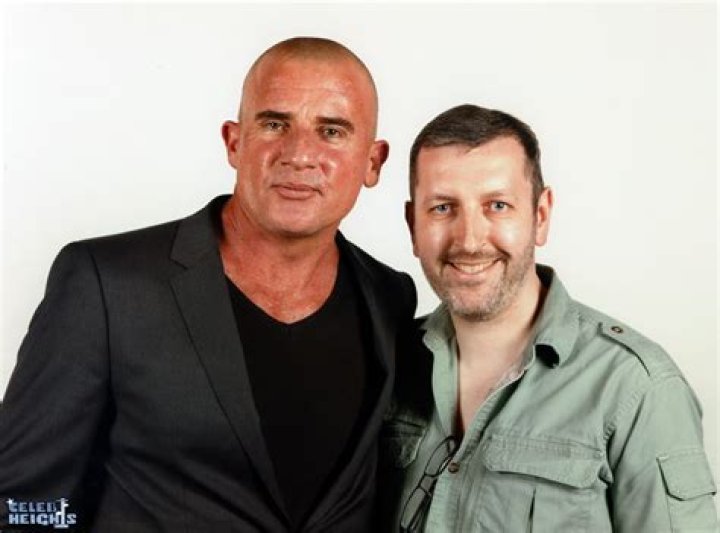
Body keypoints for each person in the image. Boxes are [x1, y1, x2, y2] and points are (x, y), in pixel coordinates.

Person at [0, 37, 416, 532]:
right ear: (234, 143)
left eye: (331, 131)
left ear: (373, 162)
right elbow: (20, 505)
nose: (299, 154)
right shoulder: (107, 285)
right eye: (275, 124)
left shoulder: (389, 297)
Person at [380, 104, 717, 532]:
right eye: (443, 208)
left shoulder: (636, 388)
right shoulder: (387, 361)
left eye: (497, 205)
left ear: (540, 217)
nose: (469, 240)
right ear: (413, 225)